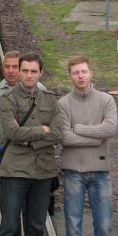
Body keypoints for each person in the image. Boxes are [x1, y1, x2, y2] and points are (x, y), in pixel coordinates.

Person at [0, 53, 62, 236]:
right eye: (24, 70)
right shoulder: (7, 98)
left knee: (36, 226)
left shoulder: (50, 99)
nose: (29, 75)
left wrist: (27, 140)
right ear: (19, 71)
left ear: (40, 73)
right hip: (14, 170)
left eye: (33, 71)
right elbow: (12, 132)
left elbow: (58, 133)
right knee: (10, 226)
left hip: (43, 171)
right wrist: (42, 129)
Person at [58, 56, 117, 236]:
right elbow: (65, 137)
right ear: (70, 76)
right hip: (73, 171)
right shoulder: (63, 104)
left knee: (104, 226)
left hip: (100, 171)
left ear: (91, 73)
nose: (80, 76)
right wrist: (97, 138)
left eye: (84, 71)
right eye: (76, 72)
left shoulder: (106, 100)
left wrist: (80, 129)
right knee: (73, 226)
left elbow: (111, 128)